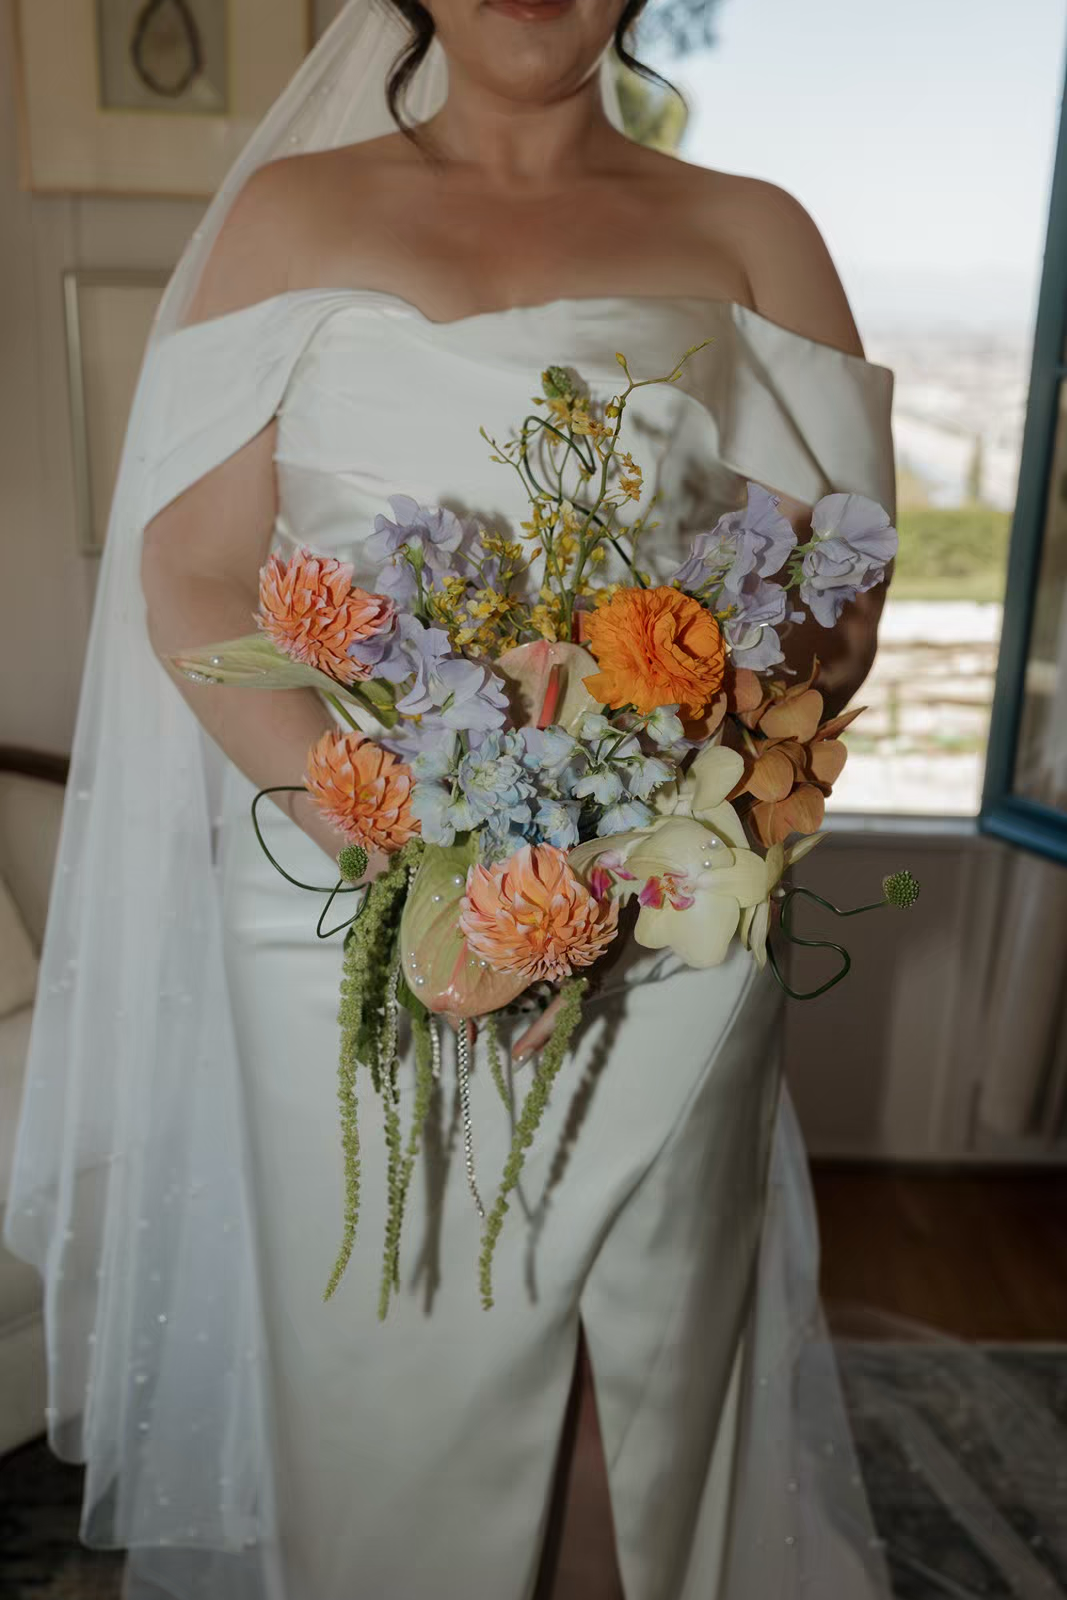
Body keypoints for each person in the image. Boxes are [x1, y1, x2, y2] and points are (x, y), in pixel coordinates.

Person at [4, 2, 899, 1597]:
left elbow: (828, 607)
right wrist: (401, 833)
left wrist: (639, 783)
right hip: (342, 913)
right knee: (392, 1398)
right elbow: (195, 571)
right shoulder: (293, 216)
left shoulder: (753, 233)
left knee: (640, 1386)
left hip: (657, 921)